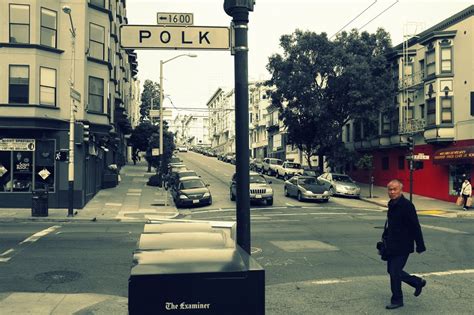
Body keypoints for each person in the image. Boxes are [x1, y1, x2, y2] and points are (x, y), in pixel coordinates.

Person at [382, 179, 426, 310]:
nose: (392, 192)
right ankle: (417, 282)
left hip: (403, 245)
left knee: (394, 272)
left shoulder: (407, 206)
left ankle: (397, 300)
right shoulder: (392, 204)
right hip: (391, 244)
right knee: (391, 270)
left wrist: (420, 245)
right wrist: (384, 239)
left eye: (395, 189)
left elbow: (415, 226)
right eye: (390, 189)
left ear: (401, 190)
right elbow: (390, 226)